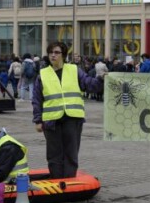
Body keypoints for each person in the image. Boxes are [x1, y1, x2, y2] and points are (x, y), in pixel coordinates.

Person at [32, 42, 100, 178]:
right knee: (54, 154)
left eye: (56, 52)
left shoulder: (74, 70)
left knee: (71, 152)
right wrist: (38, 120)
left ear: (63, 55)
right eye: (51, 52)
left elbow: (89, 85)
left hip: (72, 118)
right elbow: (37, 99)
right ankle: (56, 179)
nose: (53, 55)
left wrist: (101, 79)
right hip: (51, 120)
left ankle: (69, 181)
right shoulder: (43, 74)